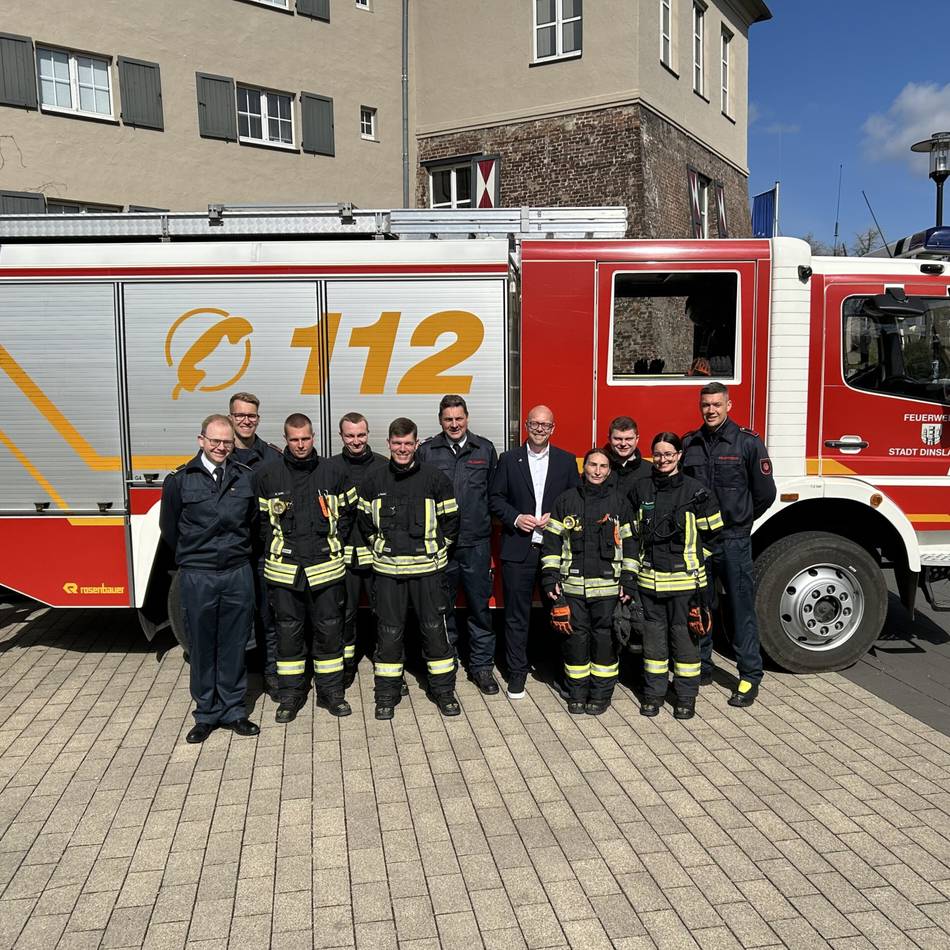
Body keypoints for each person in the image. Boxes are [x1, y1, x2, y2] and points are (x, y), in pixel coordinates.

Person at [160, 414, 260, 744]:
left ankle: (233, 710)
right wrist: (197, 557)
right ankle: (205, 713)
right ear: (201, 440)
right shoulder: (179, 481)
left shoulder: (244, 477)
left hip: (235, 573)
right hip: (198, 575)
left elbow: (253, 523)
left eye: (227, 442)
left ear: (234, 444)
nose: (220, 447)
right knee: (202, 646)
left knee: (234, 644)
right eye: (214, 440)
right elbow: (170, 528)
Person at [357, 418, 461, 720]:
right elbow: (364, 523)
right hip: (388, 573)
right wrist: (379, 546)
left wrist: (439, 549)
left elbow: (452, 520)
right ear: (389, 444)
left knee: (434, 632)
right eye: (397, 443)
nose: (402, 449)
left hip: (428, 572)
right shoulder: (374, 481)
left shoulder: (435, 479)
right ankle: (386, 695)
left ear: (416, 445)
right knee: (389, 635)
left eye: (408, 444)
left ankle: (444, 692)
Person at [255, 413, 355, 723]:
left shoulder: (334, 473)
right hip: (285, 572)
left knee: (329, 631)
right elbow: (260, 524)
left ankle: (331, 692)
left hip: (325, 569)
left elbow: (349, 516)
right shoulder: (267, 476)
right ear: (285, 439)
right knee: (288, 634)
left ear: (314, 437)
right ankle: (290, 695)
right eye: (294, 439)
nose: (300, 445)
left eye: (306, 438)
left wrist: (330, 544)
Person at [682, 382, 776, 707]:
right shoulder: (689, 444)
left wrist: (742, 520)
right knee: (700, 606)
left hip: (734, 540)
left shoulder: (748, 443)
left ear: (728, 405)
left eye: (716, 405)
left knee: (740, 610)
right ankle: (703, 666)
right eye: (705, 405)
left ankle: (749, 676)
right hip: (700, 542)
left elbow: (765, 494)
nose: (710, 410)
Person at [489, 405, 580, 700]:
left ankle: (557, 672)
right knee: (516, 615)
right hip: (519, 547)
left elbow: (577, 501)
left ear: (553, 428)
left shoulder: (566, 461)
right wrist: (516, 518)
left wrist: (557, 515)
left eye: (546, 425)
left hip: (555, 550)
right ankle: (517, 674)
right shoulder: (508, 459)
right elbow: (495, 498)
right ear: (526, 425)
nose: (540, 429)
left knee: (560, 611)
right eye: (535, 424)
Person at [630, 432, 723, 720]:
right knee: (654, 644)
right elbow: (632, 534)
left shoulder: (697, 492)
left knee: (684, 642)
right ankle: (654, 695)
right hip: (650, 582)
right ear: (651, 456)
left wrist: (695, 561)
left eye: (669, 454)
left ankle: (685, 698)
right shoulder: (641, 490)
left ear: (679, 455)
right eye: (658, 454)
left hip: (685, 583)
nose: (663, 459)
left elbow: (715, 536)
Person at [540, 448, 638, 715]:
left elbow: (630, 544)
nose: (597, 470)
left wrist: (628, 579)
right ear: (584, 468)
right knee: (575, 640)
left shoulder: (620, 503)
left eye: (603, 466)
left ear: (609, 470)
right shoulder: (566, 501)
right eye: (592, 465)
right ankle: (577, 692)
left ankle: (601, 694)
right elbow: (551, 543)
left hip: (608, 589)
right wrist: (550, 577)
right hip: (573, 587)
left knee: (605, 640)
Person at [417, 395, 500, 695]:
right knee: (443, 609)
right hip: (441, 545)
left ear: (467, 417)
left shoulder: (485, 449)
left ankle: (481, 668)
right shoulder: (427, 451)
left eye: (459, 418)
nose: (454, 424)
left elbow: (494, 496)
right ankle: (446, 664)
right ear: (440, 420)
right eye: (448, 419)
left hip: (476, 544)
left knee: (480, 609)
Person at [326, 412, 387, 686]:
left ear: (368, 433)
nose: (356, 440)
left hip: (379, 557)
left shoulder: (385, 467)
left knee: (385, 616)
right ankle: (347, 667)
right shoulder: (328, 468)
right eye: (350, 435)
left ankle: (387, 666)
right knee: (345, 615)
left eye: (361, 435)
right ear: (341, 436)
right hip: (343, 557)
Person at [229, 392, 282, 701]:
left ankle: (272, 675)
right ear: (231, 418)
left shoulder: (272, 457)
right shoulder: (220, 455)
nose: (246, 421)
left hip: (263, 552)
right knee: (235, 618)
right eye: (240, 416)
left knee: (269, 617)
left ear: (258, 419)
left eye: (251, 416)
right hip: (233, 554)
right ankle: (239, 681)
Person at [603, 416, 651, 493]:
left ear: (637, 439)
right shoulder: (598, 469)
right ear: (609, 439)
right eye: (618, 439)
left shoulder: (650, 470)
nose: (623, 444)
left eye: (628, 439)